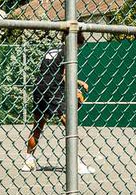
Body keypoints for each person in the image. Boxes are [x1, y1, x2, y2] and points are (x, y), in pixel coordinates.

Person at [21, 42, 92, 174]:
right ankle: (76, 164)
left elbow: (50, 72)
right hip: (53, 88)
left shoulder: (52, 49)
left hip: (39, 86)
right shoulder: (68, 50)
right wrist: (76, 88)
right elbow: (65, 76)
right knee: (69, 125)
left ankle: (28, 160)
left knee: (38, 126)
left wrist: (79, 82)